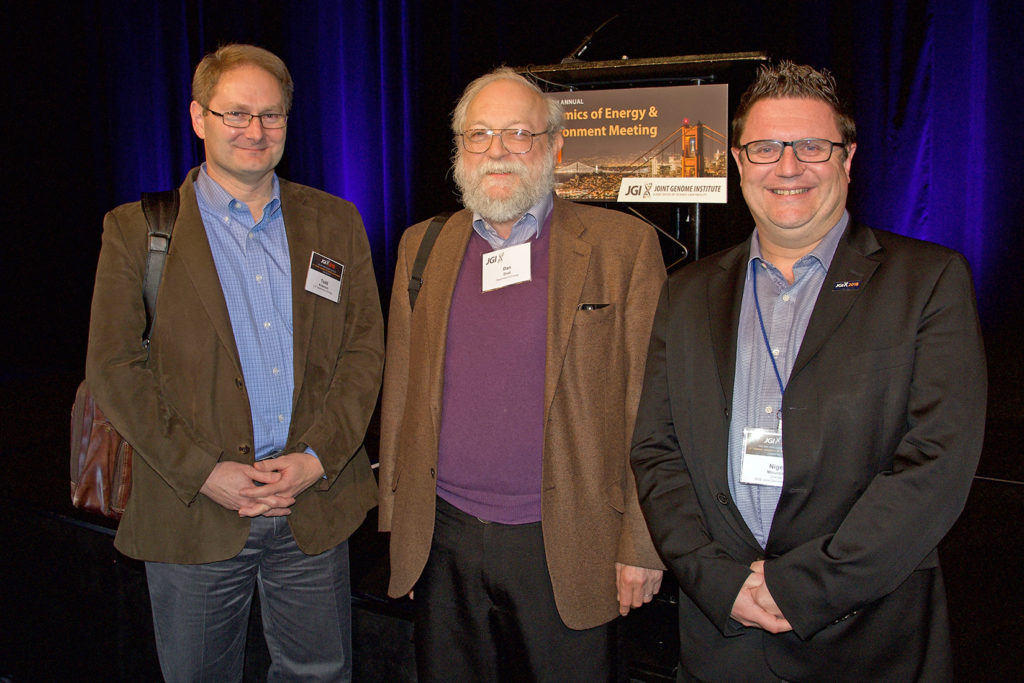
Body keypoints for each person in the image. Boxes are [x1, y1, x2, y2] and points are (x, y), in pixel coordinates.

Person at [630, 60, 987, 682]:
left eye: (812, 146)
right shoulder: (685, 292)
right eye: (765, 148)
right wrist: (716, 580)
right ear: (739, 162)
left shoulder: (928, 281)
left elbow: (937, 460)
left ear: (847, 160)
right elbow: (657, 450)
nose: (788, 167)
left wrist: (805, 587)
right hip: (721, 637)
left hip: (865, 637)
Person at [84, 44, 383, 682]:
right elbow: (113, 368)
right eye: (236, 114)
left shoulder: (336, 222)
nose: (255, 130)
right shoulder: (138, 231)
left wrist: (316, 458)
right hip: (195, 512)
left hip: (311, 507)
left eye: (271, 116)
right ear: (199, 118)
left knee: (320, 675)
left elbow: (364, 351)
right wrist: (205, 472)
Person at [378, 67, 666, 681]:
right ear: (459, 150)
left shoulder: (624, 248)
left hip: (567, 542)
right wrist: (399, 530)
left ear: (554, 146)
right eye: (479, 134)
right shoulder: (421, 246)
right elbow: (399, 397)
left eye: (518, 133)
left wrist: (642, 545)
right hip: (444, 537)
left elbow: (651, 409)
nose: (498, 150)